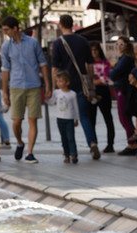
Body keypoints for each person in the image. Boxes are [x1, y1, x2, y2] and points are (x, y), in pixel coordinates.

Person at [49, 15, 99, 160]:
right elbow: (89, 65)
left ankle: (69, 151)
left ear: (60, 25)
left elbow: (55, 68)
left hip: (64, 86)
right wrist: (89, 83)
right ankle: (92, 143)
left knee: (65, 119)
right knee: (84, 116)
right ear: (72, 24)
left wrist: (54, 87)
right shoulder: (83, 41)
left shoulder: (58, 43)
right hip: (80, 85)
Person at [1, 16, 47, 163]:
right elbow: (5, 69)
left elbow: (43, 64)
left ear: (15, 28)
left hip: (33, 86)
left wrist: (47, 85)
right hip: (16, 86)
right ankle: (20, 143)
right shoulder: (6, 46)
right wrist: (5, 92)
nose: (5, 33)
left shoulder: (33, 43)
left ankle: (29, 153)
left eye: (7, 29)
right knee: (16, 122)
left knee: (32, 120)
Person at [112, 39, 137, 154]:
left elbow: (114, 73)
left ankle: (132, 144)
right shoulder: (124, 58)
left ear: (127, 45)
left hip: (123, 89)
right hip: (122, 88)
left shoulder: (125, 59)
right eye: (117, 44)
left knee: (124, 117)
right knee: (124, 118)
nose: (119, 46)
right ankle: (132, 142)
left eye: (121, 44)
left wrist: (110, 71)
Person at [89, 42, 116, 153]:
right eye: (92, 50)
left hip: (103, 91)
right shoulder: (88, 64)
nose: (94, 52)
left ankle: (110, 144)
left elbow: (105, 78)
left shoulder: (106, 63)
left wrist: (93, 81)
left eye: (96, 49)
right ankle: (93, 144)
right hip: (91, 92)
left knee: (107, 118)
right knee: (91, 119)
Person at [51, 69, 79, 163]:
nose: (58, 83)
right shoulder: (56, 92)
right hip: (60, 118)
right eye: (57, 81)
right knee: (63, 138)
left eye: (60, 81)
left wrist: (76, 119)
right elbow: (51, 102)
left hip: (69, 118)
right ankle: (67, 155)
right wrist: (47, 98)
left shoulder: (72, 94)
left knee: (71, 137)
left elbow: (75, 107)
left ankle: (74, 154)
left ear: (67, 82)